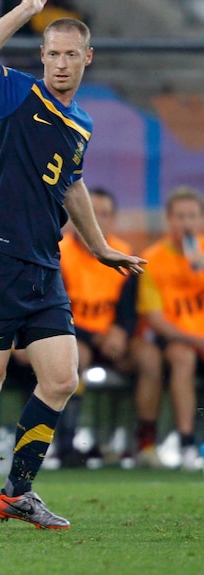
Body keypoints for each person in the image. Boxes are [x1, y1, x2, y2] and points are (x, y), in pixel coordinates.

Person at [0, 0, 146, 531]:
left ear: (87, 58)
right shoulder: (19, 92)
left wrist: (98, 246)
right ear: (42, 56)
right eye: (53, 53)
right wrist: (26, 9)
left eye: (71, 54)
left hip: (44, 266)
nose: (61, 63)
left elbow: (71, 183)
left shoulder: (81, 123)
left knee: (61, 377)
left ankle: (17, 492)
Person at [56, 187, 161, 469]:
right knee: (75, 355)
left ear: (113, 219)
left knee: (149, 357)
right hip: (75, 335)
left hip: (114, 340)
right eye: (91, 212)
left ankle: (146, 445)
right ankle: (68, 444)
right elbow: (54, 309)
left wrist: (121, 333)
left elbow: (129, 310)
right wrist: (96, 336)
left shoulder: (124, 253)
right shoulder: (59, 253)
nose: (97, 219)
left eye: (104, 214)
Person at [136, 185, 204, 471]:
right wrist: (196, 339)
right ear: (169, 220)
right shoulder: (154, 259)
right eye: (179, 216)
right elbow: (155, 318)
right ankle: (187, 443)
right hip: (176, 339)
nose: (186, 223)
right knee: (181, 357)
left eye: (192, 216)